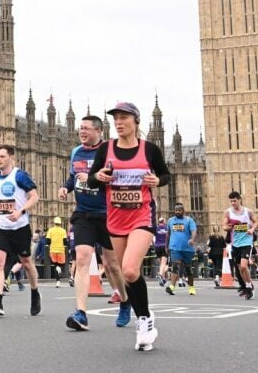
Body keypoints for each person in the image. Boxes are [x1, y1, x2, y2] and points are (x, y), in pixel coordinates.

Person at [88, 102, 171, 351]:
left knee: (131, 270)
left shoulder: (150, 150)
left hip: (142, 217)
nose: (119, 122)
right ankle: (144, 316)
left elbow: (165, 175)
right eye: (116, 119)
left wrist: (157, 180)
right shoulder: (106, 149)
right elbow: (93, 179)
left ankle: (144, 320)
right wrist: (99, 177)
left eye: (124, 118)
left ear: (136, 121)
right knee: (125, 275)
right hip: (115, 219)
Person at [59, 115, 130, 332]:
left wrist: (96, 177)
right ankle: (81, 312)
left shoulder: (110, 151)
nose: (82, 131)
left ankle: (125, 300)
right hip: (83, 213)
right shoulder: (75, 152)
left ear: (99, 131)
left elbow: (119, 177)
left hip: (108, 214)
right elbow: (73, 176)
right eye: (80, 128)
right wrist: (66, 187)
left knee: (111, 265)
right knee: (82, 259)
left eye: (87, 129)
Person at [0, 146, 41, 318]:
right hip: (1, 227)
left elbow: (34, 197)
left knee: (27, 263)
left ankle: (35, 292)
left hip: (20, 227)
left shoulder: (20, 175)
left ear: (11, 158)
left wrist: (20, 211)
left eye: (2, 156)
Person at [224, 191, 257, 298]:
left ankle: (248, 286)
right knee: (239, 268)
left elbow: (256, 222)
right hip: (235, 243)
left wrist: (252, 229)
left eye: (234, 200)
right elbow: (224, 226)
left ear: (239, 199)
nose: (233, 203)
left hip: (247, 242)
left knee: (243, 266)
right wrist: (228, 227)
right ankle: (248, 286)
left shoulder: (248, 211)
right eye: (231, 201)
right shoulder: (228, 212)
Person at [165, 202, 197, 296]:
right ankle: (171, 287)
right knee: (175, 266)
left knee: (188, 269)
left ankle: (191, 287)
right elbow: (168, 234)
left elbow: (194, 230)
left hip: (187, 249)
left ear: (183, 211)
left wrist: (192, 239)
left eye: (179, 210)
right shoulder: (170, 221)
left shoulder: (188, 220)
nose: (177, 212)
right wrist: (166, 246)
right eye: (176, 210)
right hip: (174, 248)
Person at [46, 216, 67, 288]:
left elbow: (48, 241)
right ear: (60, 223)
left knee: (55, 265)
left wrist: (49, 245)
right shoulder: (63, 231)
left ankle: (58, 281)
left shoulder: (50, 230)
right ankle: (59, 269)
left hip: (52, 250)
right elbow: (65, 242)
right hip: (61, 250)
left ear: (54, 223)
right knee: (62, 264)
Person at [154, 218, 169, 285]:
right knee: (166, 264)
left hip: (157, 246)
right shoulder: (166, 228)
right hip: (164, 246)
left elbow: (152, 237)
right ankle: (160, 274)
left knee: (161, 265)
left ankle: (163, 280)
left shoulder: (156, 228)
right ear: (164, 221)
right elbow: (168, 237)